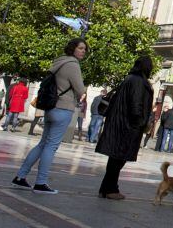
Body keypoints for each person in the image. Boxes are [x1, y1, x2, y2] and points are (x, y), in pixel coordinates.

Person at [11, 38, 87, 194]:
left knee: (42, 144)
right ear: (73, 49)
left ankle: (20, 176)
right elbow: (80, 89)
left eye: (85, 49)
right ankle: (41, 182)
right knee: (51, 147)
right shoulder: (73, 65)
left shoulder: (59, 62)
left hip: (51, 107)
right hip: (63, 108)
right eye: (80, 48)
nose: (83, 51)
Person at [94, 55, 154, 199]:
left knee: (116, 157)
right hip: (127, 125)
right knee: (118, 158)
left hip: (121, 123)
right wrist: (141, 123)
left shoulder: (130, 79)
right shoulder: (138, 81)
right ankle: (110, 189)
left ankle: (106, 188)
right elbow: (136, 104)